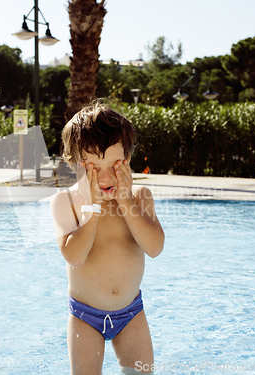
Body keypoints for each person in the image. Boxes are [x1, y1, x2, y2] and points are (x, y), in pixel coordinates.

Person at [50, 100, 165, 375]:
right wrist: (93, 207)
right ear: (75, 163)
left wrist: (126, 202)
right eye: (93, 167)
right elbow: (74, 257)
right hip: (85, 317)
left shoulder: (139, 197)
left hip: (131, 313)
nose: (105, 176)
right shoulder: (66, 202)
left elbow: (155, 248)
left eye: (115, 164)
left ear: (128, 160)